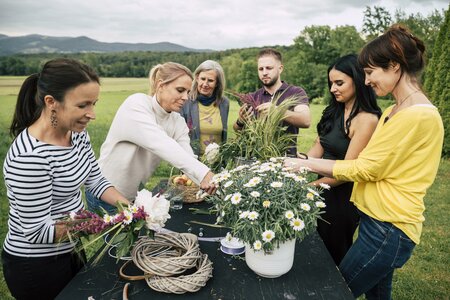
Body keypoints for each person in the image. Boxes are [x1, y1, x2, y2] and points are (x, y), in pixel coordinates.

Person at [284, 25, 444, 299]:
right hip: (375, 221)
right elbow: (370, 162)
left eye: (370, 72)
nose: (366, 80)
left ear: (394, 66)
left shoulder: (419, 115)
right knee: (379, 295)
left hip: (389, 228)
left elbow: (366, 168)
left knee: (335, 292)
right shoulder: (395, 110)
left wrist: (306, 165)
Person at [2, 58, 129, 300]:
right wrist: (102, 222)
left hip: (71, 246)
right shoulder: (30, 157)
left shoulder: (77, 134)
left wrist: (130, 208)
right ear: (51, 102)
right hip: (36, 264)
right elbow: (37, 231)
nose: (91, 114)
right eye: (83, 105)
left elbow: (95, 180)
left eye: (94, 103)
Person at [86, 62, 216, 213]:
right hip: (103, 194)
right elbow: (160, 143)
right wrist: (204, 173)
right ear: (160, 86)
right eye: (180, 90)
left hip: (132, 197)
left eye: (188, 92)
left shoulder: (177, 122)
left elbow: (187, 157)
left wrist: (214, 181)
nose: (186, 97)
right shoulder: (136, 105)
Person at [308, 54, 382, 265]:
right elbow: (316, 149)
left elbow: (347, 172)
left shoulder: (367, 119)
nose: (332, 89)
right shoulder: (334, 111)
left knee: (333, 256)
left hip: (341, 199)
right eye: (331, 83)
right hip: (319, 188)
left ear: (358, 80)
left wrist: (309, 187)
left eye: (339, 83)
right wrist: (291, 166)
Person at [233, 48, 311, 155]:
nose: (264, 73)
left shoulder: (295, 92)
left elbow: (306, 121)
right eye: (261, 69)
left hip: (287, 160)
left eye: (269, 68)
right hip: (256, 160)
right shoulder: (252, 97)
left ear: (280, 68)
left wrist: (277, 111)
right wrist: (240, 121)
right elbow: (237, 130)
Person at [181, 60, 229, 155]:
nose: (205, 84)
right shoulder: (186, 101)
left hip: (217, 164)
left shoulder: (224, 103)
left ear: (217, 83)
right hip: (192, 162)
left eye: (210, 80)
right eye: (203, 79)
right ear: (197, 78)